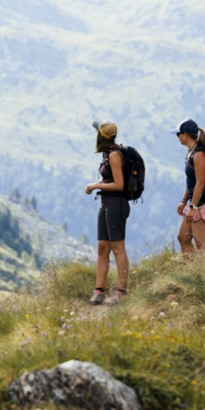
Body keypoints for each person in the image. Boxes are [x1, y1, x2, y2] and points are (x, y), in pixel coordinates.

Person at [84, 120, 129, 305]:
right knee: (102, 248)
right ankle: (99, 291)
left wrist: (95, 185)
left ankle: (122, 291)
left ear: (101, 136)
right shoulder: (107, 153)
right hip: (106, 205)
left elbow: (119, 185)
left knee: (117, 248)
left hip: (116, 205)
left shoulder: (114, 155)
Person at [171, 118, 205, 259]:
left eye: (178, 134)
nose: (177, 137)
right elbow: (192, 181)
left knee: (201, 244)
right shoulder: (191, 152)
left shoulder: (199, 154)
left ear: (185, 135)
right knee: (183, 238)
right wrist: (184, 200)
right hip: (196, 202)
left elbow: (200, 183)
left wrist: (192, 207)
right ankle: (192, 271)